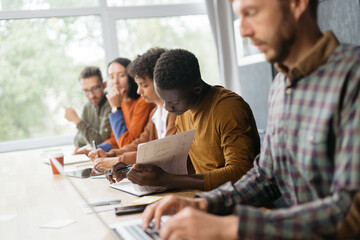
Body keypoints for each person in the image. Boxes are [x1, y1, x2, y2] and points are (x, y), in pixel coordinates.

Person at [141, 0, 360, 239]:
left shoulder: (353, 79)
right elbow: (266, 177)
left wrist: (231, 228)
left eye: (252, 12)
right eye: (239, 16)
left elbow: (350, 212)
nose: (243, 30)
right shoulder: (279, 86)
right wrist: (203, 204)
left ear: (297, 4)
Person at [106, 48, 260, 191]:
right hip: (207, 196)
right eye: (163, 100)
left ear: (197, 89)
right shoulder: (184, 110)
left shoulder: (228, 108)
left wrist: (168, 180)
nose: (167, 108)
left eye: (172, 103)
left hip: (238, 201)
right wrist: (131, 170)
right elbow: (176, 162)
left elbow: (240, 172)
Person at [88, 48, 177, 171]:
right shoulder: (155, 111)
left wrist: (117, 159)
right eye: (111, 77)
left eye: (144, 85)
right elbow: (140, 144)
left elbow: (160, 152)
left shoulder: (164, 110)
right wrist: (110, 154)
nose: (139, 90)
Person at [95, 58, 154, 153]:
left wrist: (116, 109)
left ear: (131, 78)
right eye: (111, 77)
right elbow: (116, 140)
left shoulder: (143, 102)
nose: (115, 82)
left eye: (121, 75)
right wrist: (95, 149)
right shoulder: (121, 102)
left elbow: (126, 144)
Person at [64, 66, 111, 149]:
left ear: (104, 85)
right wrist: (90, 139)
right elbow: (77, 140)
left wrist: (76, 120)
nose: (91, 95)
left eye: (95, 88)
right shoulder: (87, 107)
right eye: (86, 90)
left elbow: (101, 142)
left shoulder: (111, 103)